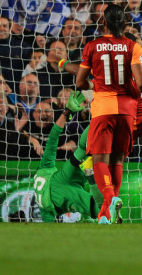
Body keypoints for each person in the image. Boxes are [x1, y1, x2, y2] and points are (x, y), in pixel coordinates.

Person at [76, 3, 142, 224]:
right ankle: (105, 213)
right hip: (127, 111)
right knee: (117, 159)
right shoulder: (133, 46)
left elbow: (80, 81)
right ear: (125, 24)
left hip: (103, 109)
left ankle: (110, 196)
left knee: (99, 159)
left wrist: (95, 85)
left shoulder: (92, 46)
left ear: (104, 23)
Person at [33, 91, 102, 222]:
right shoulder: (44, 167)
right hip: (61, 177)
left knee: (95, 208)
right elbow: (53, 137)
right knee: (81, 151)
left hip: (57, 198)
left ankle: (92, 179)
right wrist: (67, 112)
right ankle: (100, 117)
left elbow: (49, 226)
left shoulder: (42, 205)